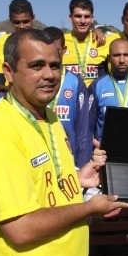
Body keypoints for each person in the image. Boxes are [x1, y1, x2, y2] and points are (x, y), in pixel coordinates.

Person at [0, 28, 128, 256]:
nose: (50, 75)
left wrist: (78, 179)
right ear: (8, 71)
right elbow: (21, 227)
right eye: (36, 65)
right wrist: (89, 208)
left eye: (55, 66)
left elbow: (42, 187)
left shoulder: (50, 117)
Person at [44, 26, 91, 167]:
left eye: (56, 50)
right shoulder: (34, 80)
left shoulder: (75, 82)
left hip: (69, 160)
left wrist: (81, 165)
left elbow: (83, 130)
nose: (52, 54)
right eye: (47, 50)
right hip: (41, 158)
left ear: (64, 50)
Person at [62, 0, 108, 87]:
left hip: (94, 99)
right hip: (68, 97)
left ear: (92, 18)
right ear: (70, 17)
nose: (83, 21)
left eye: (87, 16)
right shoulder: (61, 42)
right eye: (78, 16)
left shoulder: (103, 41)